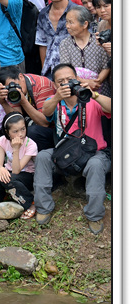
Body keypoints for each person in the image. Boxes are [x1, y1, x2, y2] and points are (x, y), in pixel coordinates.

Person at [33, 63, 112, 232]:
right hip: (65, 154)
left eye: (70, 79)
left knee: (97, 164)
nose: (66, 83)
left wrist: (94, 95)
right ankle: (43, 207)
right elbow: (46, 112)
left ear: (78, 79)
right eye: (61, 81)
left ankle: (95, 215)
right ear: (55, 85)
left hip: (94, 153)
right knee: (43, 157)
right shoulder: (55, 102)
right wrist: (56, 97)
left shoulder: (90, 99)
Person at [0, 65, 55, 152]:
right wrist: (3, 102)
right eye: (8, 88)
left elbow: (44, 123)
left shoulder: (42, 84)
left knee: (31, 131)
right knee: (12, 131)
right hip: (33, 124)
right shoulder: (12, 90)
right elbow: (17, 118)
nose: (13, 89)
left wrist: (23, 101)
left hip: (53, 131)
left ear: (21, 77)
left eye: (14, 85)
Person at [0, 113, 38, 219]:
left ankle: (31, 203)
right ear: (7, 132)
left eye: (23, 129)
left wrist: (16, 149)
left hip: (27, 176)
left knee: (8, 179)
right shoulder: (3, 140)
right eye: (15, 131)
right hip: (11, 173)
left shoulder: (30, 144)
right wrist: (1, 168)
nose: (20, 134)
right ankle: (0, 199)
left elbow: (16, 170)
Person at [58, 5, 109, 96]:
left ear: (85, 24)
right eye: (67, 22)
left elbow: (106, 66)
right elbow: (67, 70)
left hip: (100, 88)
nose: (67, 26)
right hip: (76, 90)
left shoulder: (98, 41)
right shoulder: (65, 44)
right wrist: (87, 82)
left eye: (71, 22)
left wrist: (97, 82)